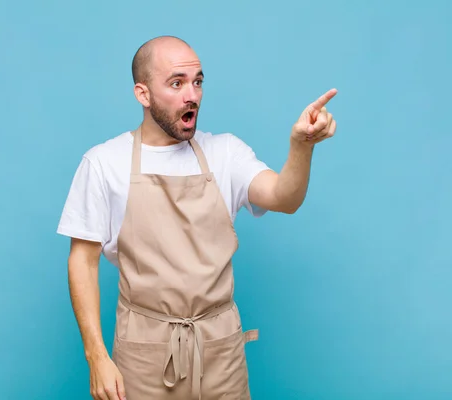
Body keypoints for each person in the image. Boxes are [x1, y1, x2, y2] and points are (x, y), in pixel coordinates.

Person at [57, 35, 337, 400]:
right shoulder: (104, 163)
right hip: (144, 353)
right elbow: (83, 261)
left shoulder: (226, 152)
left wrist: (301, 146)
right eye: (177, 83)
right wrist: (96, 356)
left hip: (220, 352)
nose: (193, 94)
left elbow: (285, 198)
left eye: (198, 82)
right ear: (143, 94)